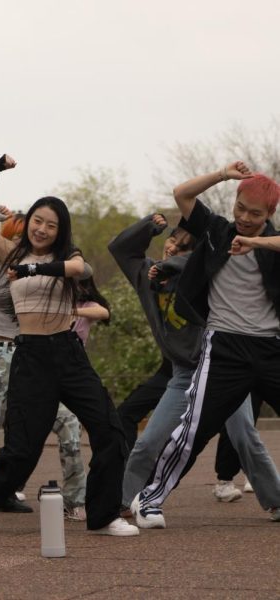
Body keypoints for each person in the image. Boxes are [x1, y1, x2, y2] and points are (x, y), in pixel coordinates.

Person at [0, 153, 137, 536]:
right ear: (29, 225)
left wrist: (34, 269)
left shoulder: (66, 256)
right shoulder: (12, 252)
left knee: (110, 432)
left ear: (61, 231)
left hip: (68, 354)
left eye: (51, 225)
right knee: (23, 448)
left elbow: (81, 270)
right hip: (32, 357)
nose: (42, 229)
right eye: (37, 221)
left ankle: (103, 515)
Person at [134, 164, 280, 528]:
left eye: (255, 214)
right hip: (225, 348)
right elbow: (182, 194)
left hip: (271, 348)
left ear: (270, 216)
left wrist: (256, 242)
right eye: (241, 208)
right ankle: (150, 500)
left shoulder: (270, 244)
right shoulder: (215, 231)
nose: (245, 219)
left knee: (244, 434)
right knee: (193, 429)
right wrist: (222, 174)